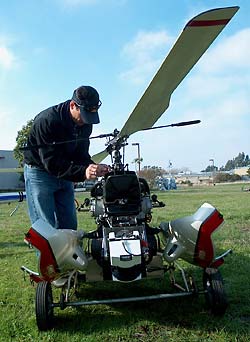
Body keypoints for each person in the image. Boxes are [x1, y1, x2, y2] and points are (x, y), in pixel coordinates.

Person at [23, 85, 110, 230]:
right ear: (72, 105)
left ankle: (68, 253)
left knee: (69, 226)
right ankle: (49, 253)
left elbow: (81, 153)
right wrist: (83, 172)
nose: (86, 121)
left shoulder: (85, 123)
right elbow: (51, 163)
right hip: (39, 172)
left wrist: (92, 166)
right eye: (84, 114)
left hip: (65, 173)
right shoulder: (46, 121)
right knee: (45, 229)